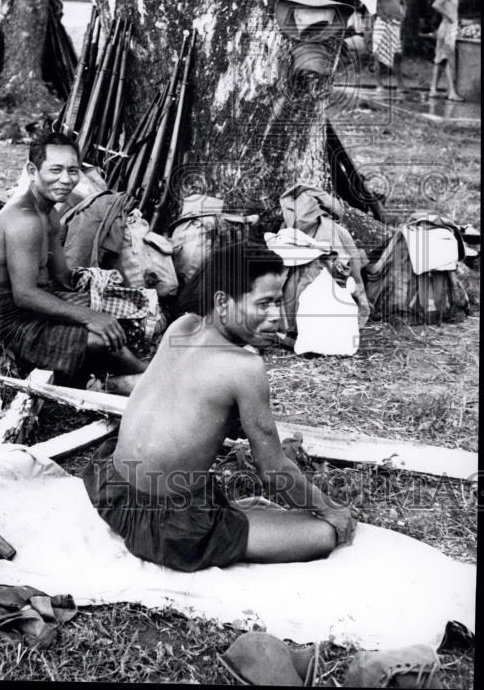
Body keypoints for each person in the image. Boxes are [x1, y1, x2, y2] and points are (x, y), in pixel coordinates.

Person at [83, 242, 356, 572]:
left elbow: (186, 403)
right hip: (168, 528)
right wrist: (330, 509)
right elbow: (272, 472)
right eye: (264, 304)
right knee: (323, 534)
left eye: (278, 303)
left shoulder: (182, 326)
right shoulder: (245, 368)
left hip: (113, 492)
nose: (278, 318)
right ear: (223, 302)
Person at [0, 131, 147, 393]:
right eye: (55, 170)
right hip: (6, 328)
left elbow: (62, 277)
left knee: (124, 312)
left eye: (73, 170)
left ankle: (123, 376)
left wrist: (97, 289)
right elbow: (24, 295)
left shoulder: (49, 214)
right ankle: (146, 376)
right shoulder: (24, 220)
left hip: (35, 308)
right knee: (101, 339)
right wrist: (90, 316)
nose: (66, 179)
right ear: (32, 171)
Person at [430, 0, 464, 101]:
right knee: (449, 60)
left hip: (449, 27)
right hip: (447, 28)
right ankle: (451, 93)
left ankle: (433, 89)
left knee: (439, 59)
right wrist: (448, 16)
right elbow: (435, 4)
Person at [371, 0, 406, 95]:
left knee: (397, 54)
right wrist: (383, 16)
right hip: (382, 23)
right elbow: (374, 4)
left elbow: (403, 3)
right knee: (378, 55)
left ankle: (400, 85)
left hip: (395, 23)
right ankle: (379, 84)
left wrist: (402, 14)